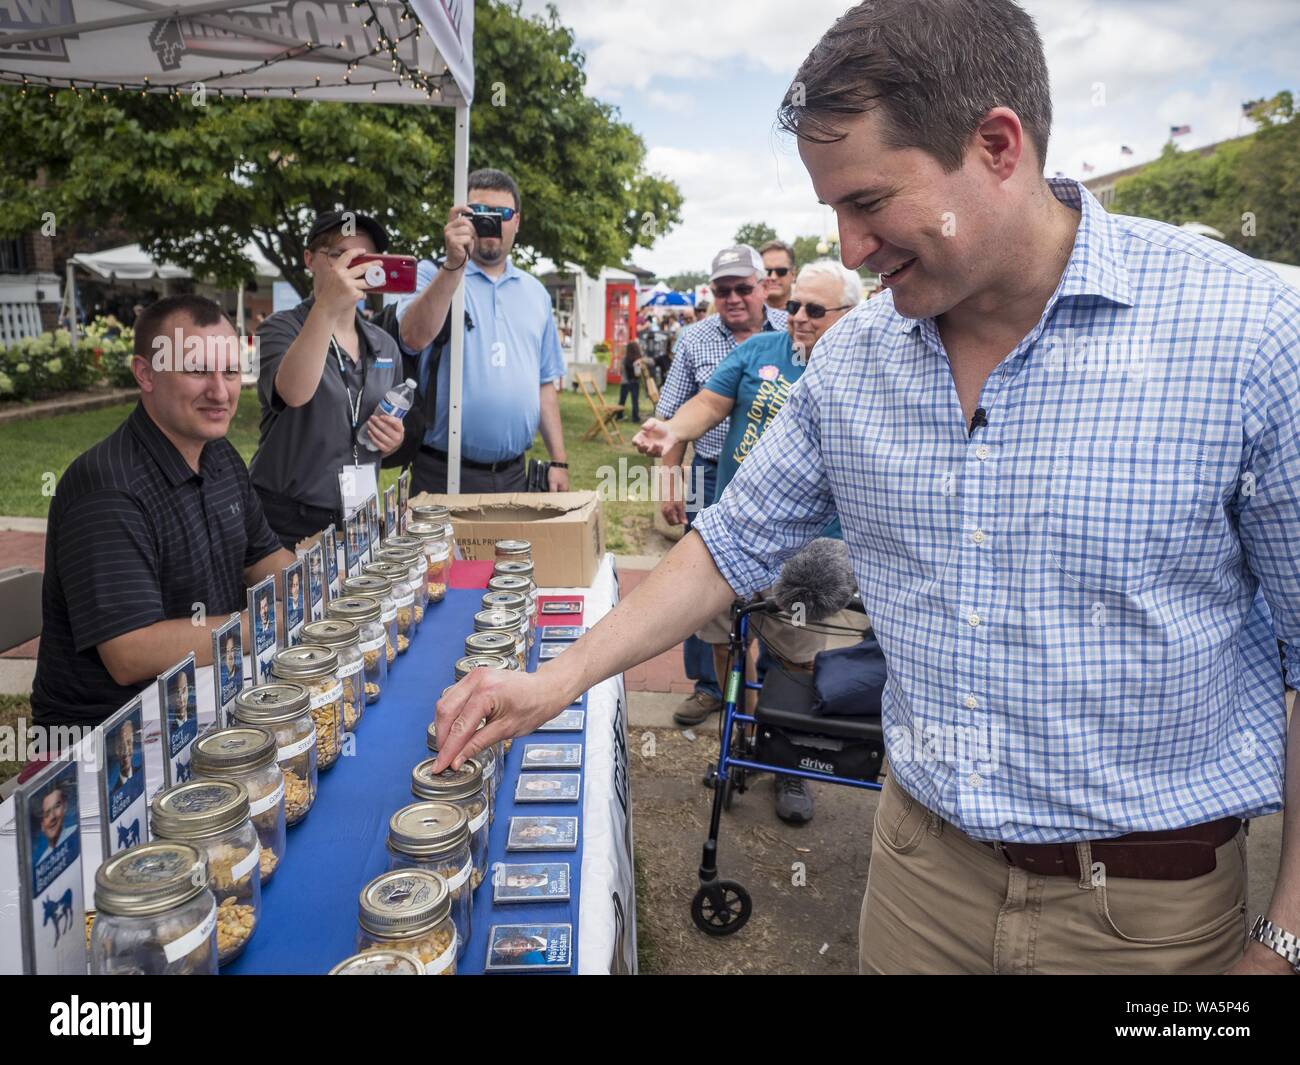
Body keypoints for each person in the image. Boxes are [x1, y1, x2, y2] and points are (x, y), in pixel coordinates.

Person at [434, 0, 1300, 977]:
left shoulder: (1252, 333)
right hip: (916, 877)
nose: (846, 251)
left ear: (996, 146)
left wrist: (1283, 936)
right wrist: (548, 682)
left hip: (1149, 916)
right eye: (829, 212)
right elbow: (730, 545)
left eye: (867, 203)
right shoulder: (853, 361)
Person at [635, 260, 866, 822]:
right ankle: (745, 738)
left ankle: (788, 760)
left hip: (815, 548)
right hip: (738, 532)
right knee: (725, 636)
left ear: (850, 314)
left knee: (799, 657)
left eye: (814, 310)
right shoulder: (760, 351)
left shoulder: (864, 368)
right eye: (794, 307)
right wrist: (675, 431)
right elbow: (710, 404)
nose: (799, 319)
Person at [32, 296, 293, 730]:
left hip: (205, 697)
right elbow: (130, 653)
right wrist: (269, 620)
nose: (220, 390)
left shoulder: (220, 455)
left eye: (229, 371)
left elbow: (262, 558)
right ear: (145, 374)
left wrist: (326, 585)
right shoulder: (106, 486)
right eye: (196, 370)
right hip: (109, 740)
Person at [655, 245, 788, 727]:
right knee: (701, 579)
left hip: (780, 484)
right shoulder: (694, 339)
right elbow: (673, 415)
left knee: (777, 591)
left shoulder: (794, 330)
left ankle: (773, 692)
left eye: (743, 288)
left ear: (763, 287)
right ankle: (711, 687)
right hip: (710, 471)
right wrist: (671, 484)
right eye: (722, 290)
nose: (733, 298)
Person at [393, 168, 569, 494]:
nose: (491, 223)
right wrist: (453, 265)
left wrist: (558, 460)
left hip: (514, 474)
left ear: (517, 221)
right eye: (479, 213)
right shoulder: (432, 274)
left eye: (501, 213)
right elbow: (411, 338)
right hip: (441, 474)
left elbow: (544, 383)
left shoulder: (535, 293)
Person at [250, 210, 407, 549]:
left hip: (357, 513)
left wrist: (392, 438)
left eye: (364, 259)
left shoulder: (384, 344)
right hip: (286, 518)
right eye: (340, 256)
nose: (352, 269)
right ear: (310, 259)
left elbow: (383, 419)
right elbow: (293, 392)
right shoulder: (278, 329)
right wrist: (327, 307)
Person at [31, 785, 75, 865]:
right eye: (46, 814)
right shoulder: (41, 864)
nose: (52, 817)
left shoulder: (76, 834)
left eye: (56, 807)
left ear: (65, 807)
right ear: (42, 825)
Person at [759, 240, 796, 311]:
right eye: (766, 271)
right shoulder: (747, 314)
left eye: (781, 271)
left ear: (793, 274)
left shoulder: (807, 313)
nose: (773, 277)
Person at [617, 340, 645, 422]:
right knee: (635, 401)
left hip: (625, 382)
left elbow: (621, 370)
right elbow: (638, 374)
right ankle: (635, 418)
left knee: (622, 400)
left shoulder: (624, 359)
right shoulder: (637, 360)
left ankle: (619, 416)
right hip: (634, 382)